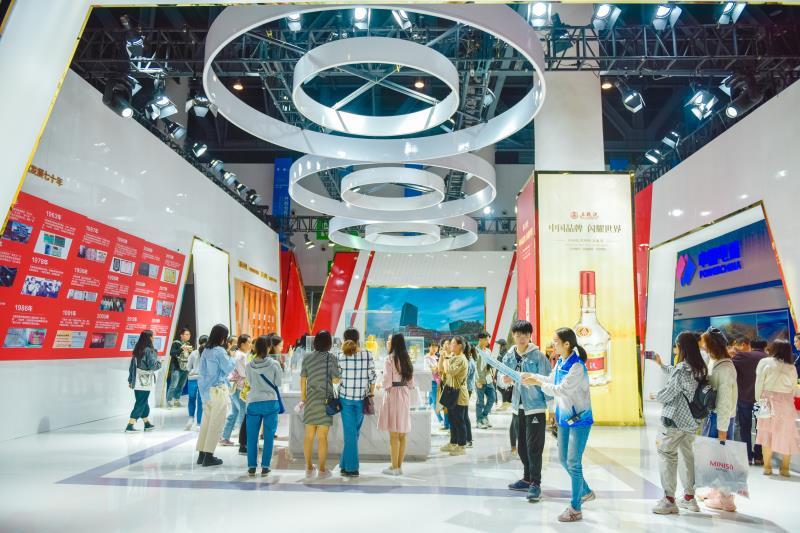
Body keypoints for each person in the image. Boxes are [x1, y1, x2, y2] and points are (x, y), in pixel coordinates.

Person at [524, 327, 594, 523]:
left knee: (573, 463)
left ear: (567, 344)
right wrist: (532, 376)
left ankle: (576, 508)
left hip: (580, 420)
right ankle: (585, 491)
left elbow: (561, 390)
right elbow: (551, 379)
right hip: (564, 419)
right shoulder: (561, 362)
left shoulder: (577, 366)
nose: (552, 344)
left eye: (556, 341)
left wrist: (537, 383)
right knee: (563, 459)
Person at [651, 332, 707, 515]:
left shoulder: (682, 368)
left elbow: (669, 393)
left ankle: (669, 500)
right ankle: (690, 498)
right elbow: (677, 375)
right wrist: (661, 364)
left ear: (681, 347)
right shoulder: (700, 367)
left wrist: (655, 395)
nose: (675, 349)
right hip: (691, 421)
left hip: (675, 421)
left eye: (676, 346)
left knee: (667, 454)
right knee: (686, 455)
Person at [499, 320, 552, 502]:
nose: (521, 338)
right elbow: (501, 378)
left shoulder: (538, 357)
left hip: (535, 408)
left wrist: (552, 409)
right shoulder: (509, 355)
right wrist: (504, 380)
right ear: (513, 335)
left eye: (525, 334)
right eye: (518, 334)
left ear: (530, 336)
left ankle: (535, 484)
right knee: (521, 447)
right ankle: (527, 478)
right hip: (517, 407)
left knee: (534, 447)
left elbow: (548, 381)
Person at [699, 326, 739, 512]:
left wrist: (723, 430)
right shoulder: (716, 361)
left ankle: (726, 499)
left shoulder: (724, 368)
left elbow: (724, 401)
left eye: (705, 343)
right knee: (714, 457)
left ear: (712, 345)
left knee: (722, 457)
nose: (703, 346)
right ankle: (717, 491)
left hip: (720, 418)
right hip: (715, 416)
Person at [300, 330, 341, 478]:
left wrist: (304, 398)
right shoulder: (332, 358)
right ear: (329, 343)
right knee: (322, 437)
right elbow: (336, 380)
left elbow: (303, 380)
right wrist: (336, 395)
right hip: (325, 401)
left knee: (308, 436)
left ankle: (308, 468)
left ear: (315, 342)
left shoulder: (307, 357)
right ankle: (322, 470)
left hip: (311, 401)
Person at [755, 339, 799, 477]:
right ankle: (785, 469)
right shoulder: (791, 367)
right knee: (787, 435)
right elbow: (793, 388)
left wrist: (758, 400)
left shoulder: (765, 362)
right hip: (786, 404)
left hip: (767, 402)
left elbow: (759, 383)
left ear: (774, 348)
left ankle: (767, 467)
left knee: (766, 435)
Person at [337, 328, 376, 477]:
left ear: (344, 338)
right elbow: (373, 377)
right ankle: (351, 468)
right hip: (361, 399)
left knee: (351, 433)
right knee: (353, 433)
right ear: (359, 338)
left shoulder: (340, 355)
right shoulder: (367, 354)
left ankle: (345, 464)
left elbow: (336, 378)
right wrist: (371, 393)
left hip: (345, 399)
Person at [196, 324, 235, 467]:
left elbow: (202, 372)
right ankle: (209, 456)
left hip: (206, 391)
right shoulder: (220, 351)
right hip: (218, 390)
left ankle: (201, 454)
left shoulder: (206, 350)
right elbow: (228, 368)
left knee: (206, 423)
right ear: (223, 336)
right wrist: (232, 357)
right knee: (216, 423)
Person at [244, 335, 283, 476]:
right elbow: (278, 383)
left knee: (252, 437)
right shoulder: (275, 364)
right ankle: (265, 466)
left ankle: (252, 467)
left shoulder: (249, 365)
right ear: (269, 347)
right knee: (269, 436)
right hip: (271, 402)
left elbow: (249, 382)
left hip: (253, 402)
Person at [378, 333, 416, 474]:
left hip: (393, 394)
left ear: (394, 343)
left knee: (393, 435)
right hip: (404, 394)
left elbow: (387, 381)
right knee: (402, 434)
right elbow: (411, 383)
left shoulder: (389, 359)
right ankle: (398, 467)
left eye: (389, 340)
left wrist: (379, 385)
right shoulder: (406, 358)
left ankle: (394, 468)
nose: (387, 342)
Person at [732, 336, 768, 465]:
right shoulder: (769, 359)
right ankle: (759, 456)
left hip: (744, 397)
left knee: (745, 428)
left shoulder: (741, 356)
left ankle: (747, 456)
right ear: (765, 346)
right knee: (761, 428)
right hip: (762, 400)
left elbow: (731, 370)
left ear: (750, 345)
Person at [126, 330, 161, 432]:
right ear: (149, 338)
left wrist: (130, 380)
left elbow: (132, 367)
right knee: (141, 402)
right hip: (145, 381)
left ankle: (146, 423)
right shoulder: (149, 351)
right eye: (152, 336)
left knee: (143, 401)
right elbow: (153, 366)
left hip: (137, 380)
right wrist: (160, 363)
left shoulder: (137, 350)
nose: (153, 338)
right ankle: (130, 424)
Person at [439, 337, 469, 457]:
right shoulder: (453, 357)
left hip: (459, 394)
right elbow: (441, 369)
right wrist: (443, 357)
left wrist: (446, 357)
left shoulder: (461, 359)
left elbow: (450, 371)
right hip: (451, 392)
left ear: (460, 346)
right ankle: (453, 443)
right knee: (452, 419)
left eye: (452, 343)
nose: (450, 345)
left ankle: (461, 446)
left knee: (459, 420)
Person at [220, 334, 251, 447]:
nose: (250, 345)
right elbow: (244, 373)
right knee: (243, 411)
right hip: (239, 387)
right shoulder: (241, 355)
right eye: (249, 342)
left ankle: (225, 437)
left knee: (234, 412)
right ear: (242, 344)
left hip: (233, 386)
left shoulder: (237, 354)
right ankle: (243, 440)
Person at [185, 334, 208, 430]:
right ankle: (199, 422)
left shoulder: (194, 353)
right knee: (200, 401)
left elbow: (187, 367)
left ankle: (191, 418)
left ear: (199, 343)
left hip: (192, 379)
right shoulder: (209, 353)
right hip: (203, 379)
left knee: (191, 399)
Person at [475, 332, 496, 429]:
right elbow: (474, 367)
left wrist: (493, 375)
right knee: (480, 401)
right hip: (480, 380)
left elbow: (490, 364)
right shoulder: (475, 351)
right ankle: (479, 421)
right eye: (487, 339)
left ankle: (484, 416)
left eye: (488, 339)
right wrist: (477, 380)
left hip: (489, 379)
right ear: (481, 339)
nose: (488, 341)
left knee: (492, 398)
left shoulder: (488, 351)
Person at [166, 327, 192, 408]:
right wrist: (181, 349)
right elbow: (172, 353)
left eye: (189, 334)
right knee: (173, 385)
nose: (188, 336)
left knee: (181, 385)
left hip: (185, 368)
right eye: (187, 334)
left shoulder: (188, 344)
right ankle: (169, 401)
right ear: (181, 335)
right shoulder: (176, 343)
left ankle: (176, 400)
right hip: (176, 367)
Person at [424, 342, 445, 427]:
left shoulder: (437, 357)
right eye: (432, 347)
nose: (434, 349)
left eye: (436, 347)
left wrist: (436, 368)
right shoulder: (426, 358)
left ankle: (426, 414)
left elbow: (439, 369)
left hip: (438, 381)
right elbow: (429, 370)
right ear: (429, 347)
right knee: (436, 402)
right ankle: (440, 419)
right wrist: (437, 368)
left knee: (432, 401)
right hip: (431, 382)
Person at [496, 339, 513, 411]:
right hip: (501, 372)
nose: (497, 345)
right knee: (501, 388)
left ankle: (505, 403)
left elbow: (504, 363)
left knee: (503, 388)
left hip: (503, 373)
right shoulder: (502, 352)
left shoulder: (504, 353)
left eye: (498, 344)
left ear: (501, 345)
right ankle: (505, 403)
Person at [465, 344, 476, 447]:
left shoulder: (468, 361)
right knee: (464, 414)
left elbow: (465, 377)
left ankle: (468, 439)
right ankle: (467, 438)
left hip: (466, 389)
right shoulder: (470, 359)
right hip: (468, 388)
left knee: (464, 414)